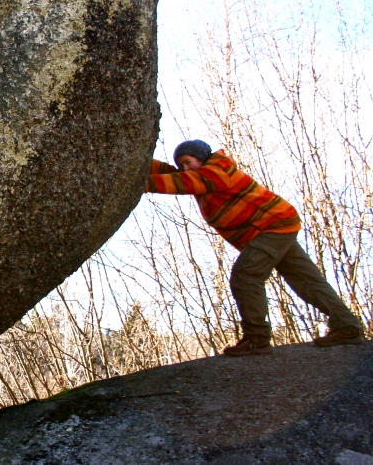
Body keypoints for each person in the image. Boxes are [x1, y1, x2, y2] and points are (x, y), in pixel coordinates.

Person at [146, 139, 365, 357]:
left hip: (271, 226)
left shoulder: (218, 171)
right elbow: (173, 173)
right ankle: (347, 326)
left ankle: (256, 339)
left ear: (201, 158)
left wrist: (141, 183)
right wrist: (141, 161)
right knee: (306, 279)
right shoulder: (203, 176)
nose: (185, 168)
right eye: (182, 165)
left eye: (188, 162)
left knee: (246, 276)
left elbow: (180, 181)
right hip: (276, 226)